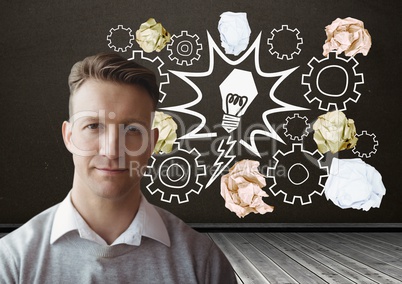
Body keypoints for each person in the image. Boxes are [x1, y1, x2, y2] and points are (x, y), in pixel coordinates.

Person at [0, 52, 237, 283]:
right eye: (93, 126)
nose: (112, 151)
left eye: (132, 129)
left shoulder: (203, 263)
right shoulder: (12, 262)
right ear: (69, 136)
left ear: (152, 143)